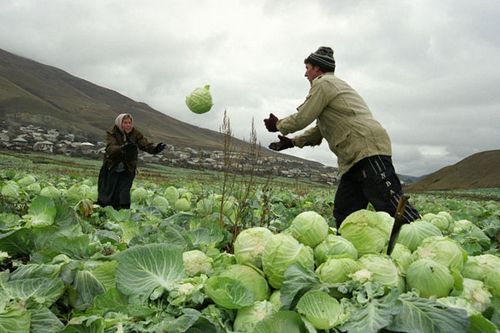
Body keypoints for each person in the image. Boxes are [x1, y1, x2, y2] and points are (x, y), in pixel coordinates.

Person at [264, 46, 420, 228]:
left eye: (307, 68)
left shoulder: (323, 84)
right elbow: (319, 130)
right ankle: (350, 247)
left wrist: (278, 125)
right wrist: (292, 142)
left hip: (366, 149)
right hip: (353, 158)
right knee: (345, 211)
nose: (305, 74)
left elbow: (303, 117)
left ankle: (424, 238)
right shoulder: (331, 87)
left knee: (391, 204)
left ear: (317, 68)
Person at [97, 113, 166, 210]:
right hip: (112, 166)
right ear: (120, 123)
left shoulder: (136, 134)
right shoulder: (112, 133)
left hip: (128, 167)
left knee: (124, 192)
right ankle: (105, 211)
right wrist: (121, 148)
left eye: (130, 123)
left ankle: (122, 213)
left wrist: (156, 149)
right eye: (125, 123)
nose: (128, 125)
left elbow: (145, 145)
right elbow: (110, 148)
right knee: (109, 192)